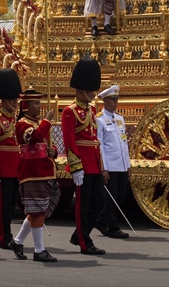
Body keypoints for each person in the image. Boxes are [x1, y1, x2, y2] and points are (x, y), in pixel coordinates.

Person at [9, 87, 58, 263]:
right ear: (26, 106)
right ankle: (39, 250)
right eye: (36, 103)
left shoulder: (36, 122)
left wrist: (52, 151)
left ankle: (18, 241)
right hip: (32, 172)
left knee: (37, 211)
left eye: (39, 102)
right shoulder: (22, 124)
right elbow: (35, 138)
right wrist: (47, 121)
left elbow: (42, 144)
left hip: (42, 170)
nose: (39, 106)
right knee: (37, 211)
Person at [63, 58, 106, 255]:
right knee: (82, 205)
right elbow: (70, 141)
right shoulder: (69, 112)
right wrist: (76, 167)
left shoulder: (92, 110)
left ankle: (79, 234)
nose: (92, 94)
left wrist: (101, 166)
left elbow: (95, 141)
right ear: (80, 91)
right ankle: (84, 242)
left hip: (94, 165)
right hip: (82, 164)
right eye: (89, 91)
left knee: (99, 202)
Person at [0, 69, 22, 251]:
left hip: (14, 170)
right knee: (4, 207)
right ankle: (4, 237)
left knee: (10, 204)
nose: (16, 101)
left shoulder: (14, 120)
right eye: (13, 98)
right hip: (2, 171)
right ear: (4, 99)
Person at [96, 84, 130, 240]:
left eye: (117, 100)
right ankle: (112, 227)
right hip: (110, 165)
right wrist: (103, 168)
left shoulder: (120, 119)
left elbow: (124, 143)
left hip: (121, 164)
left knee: (121, 194)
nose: (115, 103)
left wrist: (128, 165)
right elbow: (100, 145)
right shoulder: (100, 120)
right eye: (112, 100)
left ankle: (101, 220)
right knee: (112, 197)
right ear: (105, 101)